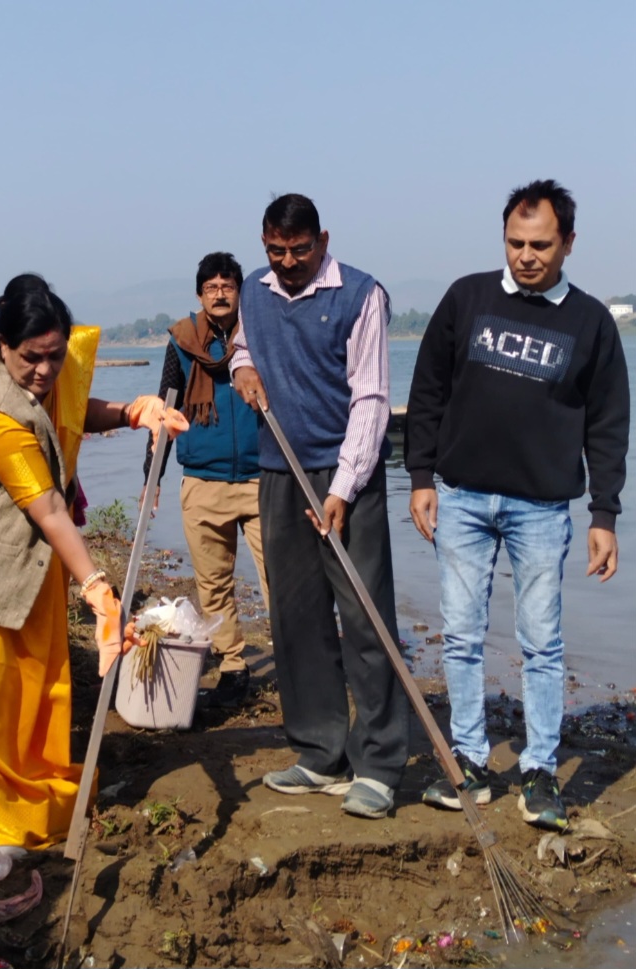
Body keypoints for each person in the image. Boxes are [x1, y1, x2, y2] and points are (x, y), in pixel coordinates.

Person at [0, 273, 187, 847]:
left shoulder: (26, 381)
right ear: (4, 344)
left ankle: (11, 781)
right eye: (33, 358)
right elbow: (48, 506)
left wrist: (132, 412)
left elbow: (66, 413)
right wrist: (97, 588)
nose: (46, 370)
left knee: (17, 686)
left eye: (55, 356)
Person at [405, 180, 630, 832]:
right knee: (461, 634)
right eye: (514, 242)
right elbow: (428, 389)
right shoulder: (467, 298)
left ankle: (538, 771)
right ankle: (470, 761)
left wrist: (604, 514)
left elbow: (608, 423)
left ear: (568, 243)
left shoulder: (588, 321)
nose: (525, 256)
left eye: (540, 245)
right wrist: (420, 476)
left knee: (541, 642)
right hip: (461, 497)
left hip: (542, 507)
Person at [230, 193, 408, 820]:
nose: (287, 262)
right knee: (296, 617)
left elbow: (372, 400)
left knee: (365, 616)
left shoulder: (361, 295)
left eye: (299, 250)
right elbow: (244, 346)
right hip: (279, 468)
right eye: (275, 251)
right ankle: (320, 752)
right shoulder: (254, 291)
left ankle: (379, 763)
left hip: (345, 474)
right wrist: (242, 368)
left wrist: (343, 489)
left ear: (323, 240)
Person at [142, 252, 268, 707]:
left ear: (240, 292)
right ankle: (232, 665)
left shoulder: (261, 333)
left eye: (227, 286)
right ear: (199, 295)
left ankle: (298, 661)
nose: (219, 294)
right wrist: (152, 476)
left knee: (282, 576)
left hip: (262, 478)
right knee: (213, 584)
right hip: (202, 481)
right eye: (211, 287)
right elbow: (164, 412)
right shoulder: (182, 341)